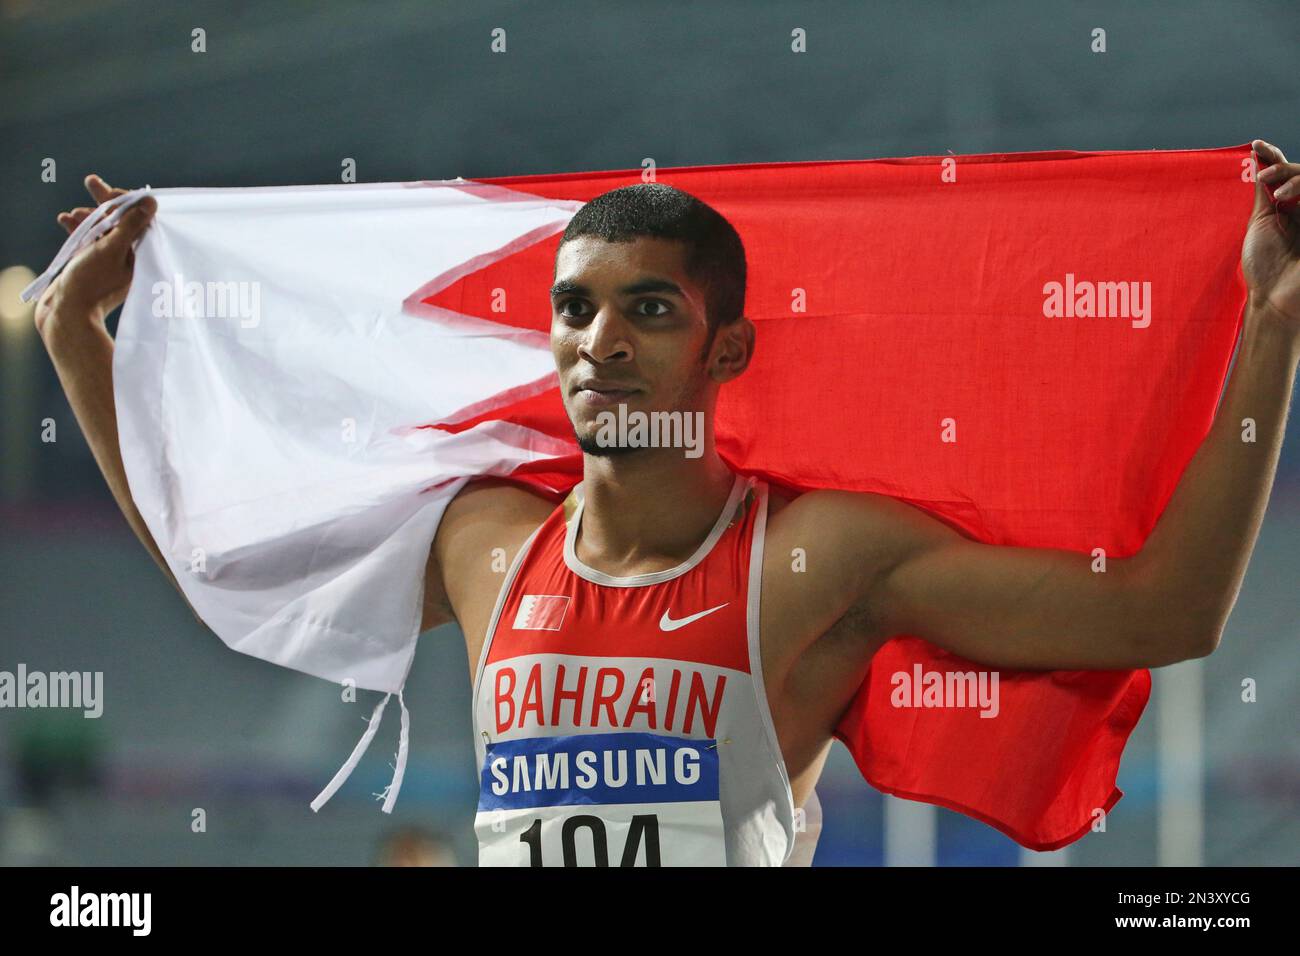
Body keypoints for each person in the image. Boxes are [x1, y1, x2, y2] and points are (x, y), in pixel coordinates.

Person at [34, 141, 1300, 865]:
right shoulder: (486, 540)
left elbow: (1160, 609)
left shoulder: (815, 558)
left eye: (649, 308)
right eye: (574, 307)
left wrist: (1275, 322)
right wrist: (81, 347)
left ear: (728, 350)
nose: (599, 341)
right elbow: (227, 569)